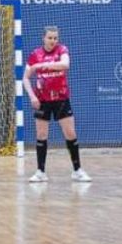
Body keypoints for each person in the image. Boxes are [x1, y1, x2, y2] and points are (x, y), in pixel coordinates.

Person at [24, 26, 90, 183]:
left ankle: (77, 170)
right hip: (42, 100)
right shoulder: (35, 54)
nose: (53, 41)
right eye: (50, 38)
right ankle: (40, 172)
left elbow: (65, 65)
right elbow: (25, 78)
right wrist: (32, 96)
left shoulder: (62, 50)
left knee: (70, 133)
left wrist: (41, 66)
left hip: (61, 99)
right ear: (43, 38)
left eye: (55, 38)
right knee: (41, 135)